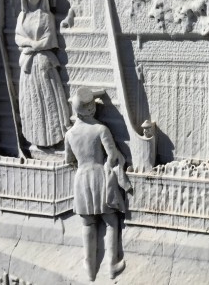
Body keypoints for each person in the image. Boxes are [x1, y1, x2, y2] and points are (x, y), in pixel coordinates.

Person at [65, 87, 130, 280]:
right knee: (110, 221)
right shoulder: (101, 129)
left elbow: (69, 160)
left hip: (82, 178)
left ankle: (89, 265)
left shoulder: (70, 134)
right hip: (99, 176)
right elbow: (111, 156)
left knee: (87, 224)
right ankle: (112, 265)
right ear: (91, 109)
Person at [15, 0, 70, 149]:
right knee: (31, 101)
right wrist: (30, 45)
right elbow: (18, 37)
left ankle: (52, 138)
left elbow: (48, 40)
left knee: (47, 100)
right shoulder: (21, 17)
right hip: (27, 66)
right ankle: (34, 138)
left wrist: (32, 45)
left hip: (43, 64)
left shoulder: (46, 16)